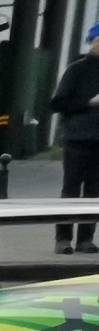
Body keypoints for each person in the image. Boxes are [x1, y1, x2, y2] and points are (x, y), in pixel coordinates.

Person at [51, 20, 99, 255]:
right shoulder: (77, 70)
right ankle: (63, 238)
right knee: (70, 189)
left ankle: (86, 239)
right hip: (77, 138)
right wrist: (89, 103)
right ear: (92, 42)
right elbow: (58, 102)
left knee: (95, 191)